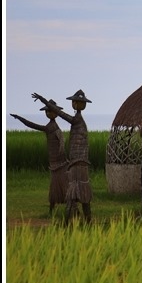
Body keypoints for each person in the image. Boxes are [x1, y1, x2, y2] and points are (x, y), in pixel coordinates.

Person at [33, 90, 93, 222]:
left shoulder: (77, 120)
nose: (75, 104)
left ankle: (71, 222)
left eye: (76, 102)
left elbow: (60, 113)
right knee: (80, 193)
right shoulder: (77, 120)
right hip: (77, 162)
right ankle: (85, 220)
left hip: (78, 161)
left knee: (75, 193)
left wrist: (43, 100)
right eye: (74, 102)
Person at [10, 100, 70, 215]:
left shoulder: (52, 127)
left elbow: (33, 125)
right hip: (56, 162)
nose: (49, 113)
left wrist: (19, 118)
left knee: (60, 185)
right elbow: (32, 125)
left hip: (59, 162)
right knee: (56, 186)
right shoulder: (51, 127)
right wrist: (19, 118)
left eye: (51, 111)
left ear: (56, 113)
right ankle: (55, 208)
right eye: (47, 111)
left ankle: (63, 207)